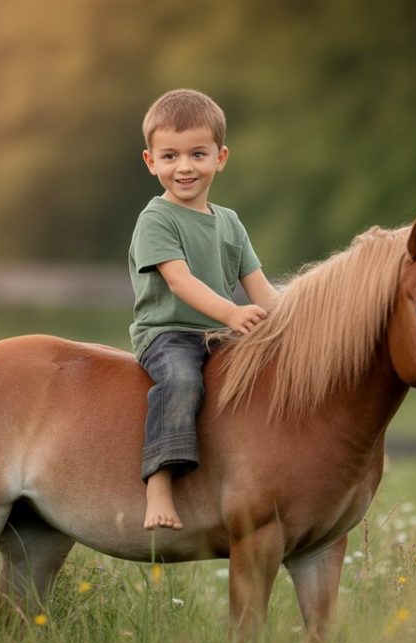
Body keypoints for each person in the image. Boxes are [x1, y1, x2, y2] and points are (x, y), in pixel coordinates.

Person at [128, 89, 279, 531]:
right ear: (151, 161)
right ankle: (158, 482)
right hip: (169, 334)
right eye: (170, 156)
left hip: (219, 335)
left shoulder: (230, 221)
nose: (185, 167)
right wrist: (232, 314)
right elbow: (180, 281)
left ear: (221, 156)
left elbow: (261, 289)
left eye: (198, 153)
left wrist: (298, 322)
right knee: (181, 380)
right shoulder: (156, 219)